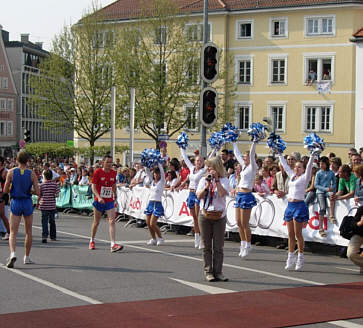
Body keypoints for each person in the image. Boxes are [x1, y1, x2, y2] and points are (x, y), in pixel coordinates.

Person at [278, 150, 315, 271]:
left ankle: (300, 256)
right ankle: (290, 256)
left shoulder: (305, 177)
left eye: (299, 167)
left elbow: (309, 166)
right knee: (290, 234)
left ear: (303, 169)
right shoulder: (292, 176)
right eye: (296, 167)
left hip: (299, 206)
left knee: (298, 234)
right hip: (290, 206)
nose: (297, 168)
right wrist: (279, 153)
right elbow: (284, 165)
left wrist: (312, 154)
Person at [4, 151, 40, 268]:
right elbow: (38, 192)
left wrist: (13, 189)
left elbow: (5, 190)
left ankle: (13, 253)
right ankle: (27, 257)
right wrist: (30, 191)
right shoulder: (32, 173)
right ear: (27, 160)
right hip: (27, 202)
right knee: (28, 232)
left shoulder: (11, 172)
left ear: (17, 160)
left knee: (13, 232)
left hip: (16, 201)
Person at [196, 156, 230, 282]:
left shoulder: (224, 180)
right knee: (206, 246)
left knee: (218, 246)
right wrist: (207, 185)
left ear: (217, 167)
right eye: (208, 167)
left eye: (210, 166)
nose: (208, 169)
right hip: (205, 215)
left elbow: (222, 194)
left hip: (219, 216)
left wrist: (216, 181)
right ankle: (208, 271)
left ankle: (218, 272)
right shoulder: (203, 180)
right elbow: (199, 196)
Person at [89, 155, 123, 253]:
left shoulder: (113, 172)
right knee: (96, 222)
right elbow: (93, 187)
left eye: (110, 162)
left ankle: (113, 244)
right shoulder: (98, 172)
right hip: (99, 200)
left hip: (109, 201)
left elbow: (113, 185)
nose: (109, 164)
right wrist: (99, 197)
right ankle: (92, 240)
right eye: (107, 162)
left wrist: (114, 195)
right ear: (103, 162)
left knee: (112, 221)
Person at [179, 147, 209, 248]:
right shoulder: (191, 169)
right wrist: (181, 147)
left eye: (201, 161)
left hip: (198, 194)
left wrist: (215, 148)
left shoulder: (203, 170)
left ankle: (201, 239)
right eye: (197, 160)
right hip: (190, 194)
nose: (199, 162)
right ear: (195, 161)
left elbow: (210, 158)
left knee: (198, 218)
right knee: (194, 219)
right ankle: (196, 238)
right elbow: (185, 158)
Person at [233, 140, 258, 258]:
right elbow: (237, 154)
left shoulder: (253, 166)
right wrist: (233, 142)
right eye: (244, 157)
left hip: (247, 195)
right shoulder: (243, 166)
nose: (244, 158)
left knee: (244, 222)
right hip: (239, 194)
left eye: (246, 157)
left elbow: (252, 153)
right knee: (238, 222)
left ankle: (248, 244)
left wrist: (254, 142)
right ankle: (242, 243)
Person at [314, 156, 337, 237]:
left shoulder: (331, 173)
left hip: (328, 191)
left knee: (332, 196)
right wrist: (326, 189)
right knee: (322, 208)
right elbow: (316, 185)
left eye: (322, 163)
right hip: (320, 192)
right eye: (320, 164)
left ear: (326, 164)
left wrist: (332, 189)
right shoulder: (318, 173)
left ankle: (331, 215)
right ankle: (320, 228)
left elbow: (334, 183)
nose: (321, 165)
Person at [144, 163, 166, 246]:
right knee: (148, 223)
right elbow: (147, 171)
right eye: (155, 173)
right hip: (150, 203)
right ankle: (153, 238)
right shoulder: (152, 181)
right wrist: (145, 162)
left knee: (152, 223)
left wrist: (159, 163)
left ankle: (160, 237)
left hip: (157, 203)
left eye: (158, 173)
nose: (156, 174)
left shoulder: (162, 181)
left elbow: (163, 172)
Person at [38, 169, 60, 243]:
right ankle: (53, 236)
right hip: (51, 205)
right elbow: (57, 194)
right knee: (52, 221)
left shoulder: (42, 185)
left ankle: (44, 236)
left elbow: (39, 195)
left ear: (44, 176)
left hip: (44, 205)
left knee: (44, 221)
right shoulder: (55, 184)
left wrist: (38, 203)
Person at [346, 205, 363, 274]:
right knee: (350, 254)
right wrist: (360, 223)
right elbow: (353, 225)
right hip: (359, 234)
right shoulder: (361, 209)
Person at [0, 156, 10, 240]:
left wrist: (4, 193)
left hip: (2, 195)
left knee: (3, 215)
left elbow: (8, 184)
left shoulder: (5, 172)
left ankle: (9, 232)